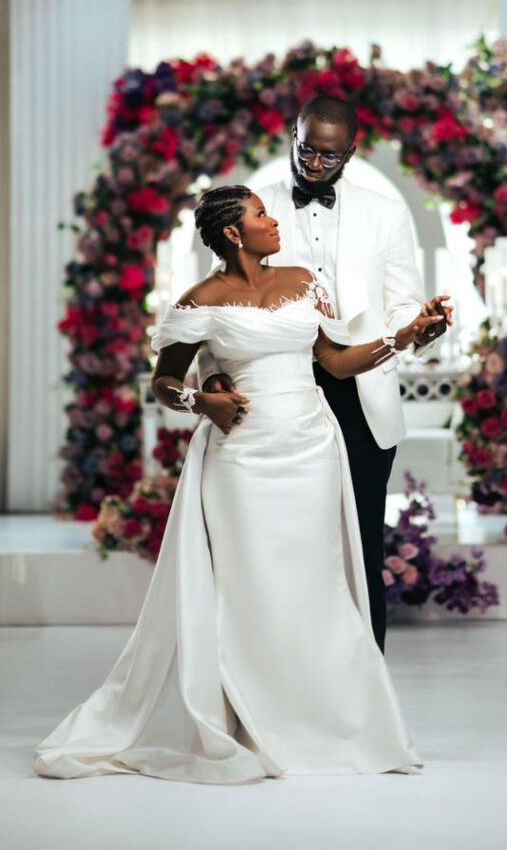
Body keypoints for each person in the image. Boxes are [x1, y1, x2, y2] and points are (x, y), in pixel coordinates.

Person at [33, 185, 448, 784]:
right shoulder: (201, 300)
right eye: (260, 214)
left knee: (316, 586)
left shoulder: (304, 280)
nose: (273, 220)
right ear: (233, 232)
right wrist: (201, 400)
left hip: (311, 448)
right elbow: (164, 383)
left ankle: (330, 722)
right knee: (250, 589)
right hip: (242, 459)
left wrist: (403, 338)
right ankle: (247, 719)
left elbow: (333, 361)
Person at [197, 95, 454, 652]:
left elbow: (402, 304)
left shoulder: (386, 214)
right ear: (292, 134)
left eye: (328, 157)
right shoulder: (252, 207)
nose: (314, 165)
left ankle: (365, 688)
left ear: (352, 153)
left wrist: (422, 328)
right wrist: (214, 379)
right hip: (278, 391)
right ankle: (278, 674)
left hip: (361, 393)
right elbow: (220, 306)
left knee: (360, 545)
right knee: (281, 542)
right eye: (306, 149)